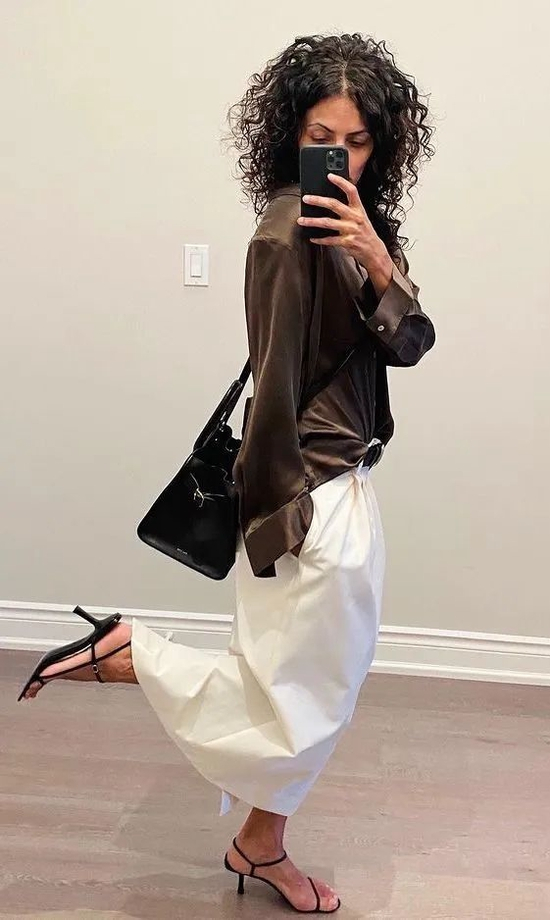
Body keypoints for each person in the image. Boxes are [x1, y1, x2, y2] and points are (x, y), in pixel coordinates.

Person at [17, 32, 436, 914]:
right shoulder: (285, 235)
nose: (340, 156)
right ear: (291, 133)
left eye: (358, 141)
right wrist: (279, 517)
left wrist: (377, 259)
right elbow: (273, 386)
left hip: (346, 482)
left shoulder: (355, 232)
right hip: (310, 492)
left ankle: (258, 843)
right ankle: (131, 654)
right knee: (299, 700)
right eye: (321, 136)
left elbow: (412, 343)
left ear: (383, 144)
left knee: (309, 691)